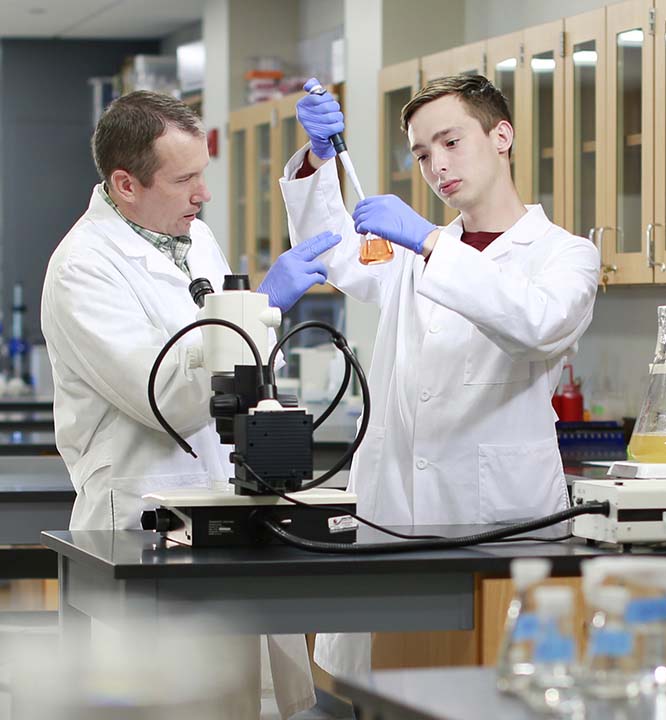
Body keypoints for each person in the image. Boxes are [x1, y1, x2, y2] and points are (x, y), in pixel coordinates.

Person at [280, 75, 600, 676]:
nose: (437, 165)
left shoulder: (564, 254)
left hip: (499, 523)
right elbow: (329, 249)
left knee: (492, 690)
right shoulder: (408, 256)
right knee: (381, 690)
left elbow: (538, 323)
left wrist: (430, 241)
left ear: (501, 135)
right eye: (423, 153)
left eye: (451, 142)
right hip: (393, 513)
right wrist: (320, 162)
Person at [41, 90, 338, 720]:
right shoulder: (82, 269)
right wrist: (263, 308)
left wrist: (254, 326)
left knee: (242, 701)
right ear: (125, 183)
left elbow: (243, 366)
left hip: (220, 500)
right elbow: (166, 398)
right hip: (143, 512)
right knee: (176, 702)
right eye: (185, 179)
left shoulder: (194, 238)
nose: (203, 194)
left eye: (202, 173)